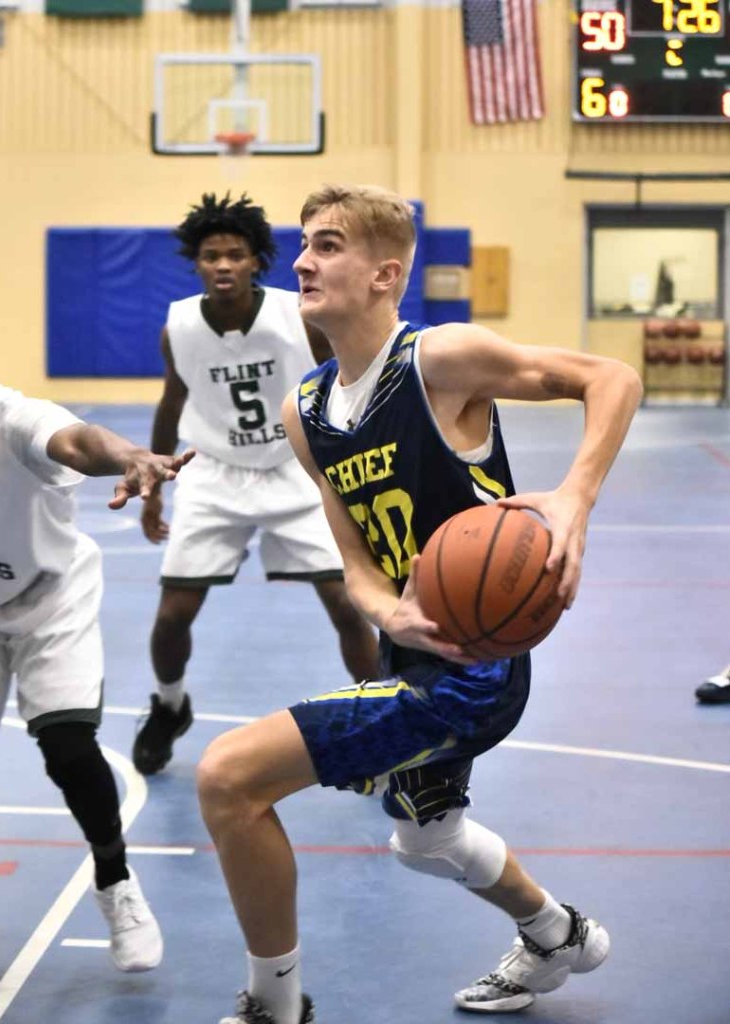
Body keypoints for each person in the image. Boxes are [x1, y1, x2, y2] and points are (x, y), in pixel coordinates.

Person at [195, 184, 644, 1024]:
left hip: (475, 668)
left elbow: (610, 377)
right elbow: (357, 562)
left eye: (328, 245)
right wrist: (388, 612)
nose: (302, 261)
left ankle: (274, 1005)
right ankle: (557, 934)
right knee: (425, 838)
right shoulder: (305, 413)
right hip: (409, 645)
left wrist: (574, 498)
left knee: (228, 777)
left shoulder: (439, 358)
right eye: (304, 244)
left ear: (384, 274)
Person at [0, 300, 195, 999]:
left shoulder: (16, 420)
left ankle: (115, 880)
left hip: (49, 597)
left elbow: (77, 441)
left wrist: (131, 457)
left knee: (67, 748)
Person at [132, 192, 378, 776]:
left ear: (255, 261)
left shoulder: (299, 315)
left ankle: (379, 721)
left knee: (348, 605)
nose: (223, 265)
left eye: (235, 255)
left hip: (294, 468)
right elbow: (172, 402)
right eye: (211, 256)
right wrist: (155, 484)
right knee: (172, 615)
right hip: (214, 472)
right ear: (197, 263)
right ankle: (169, 705)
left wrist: (356, 470)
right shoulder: (179, 325)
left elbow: (346, 387)